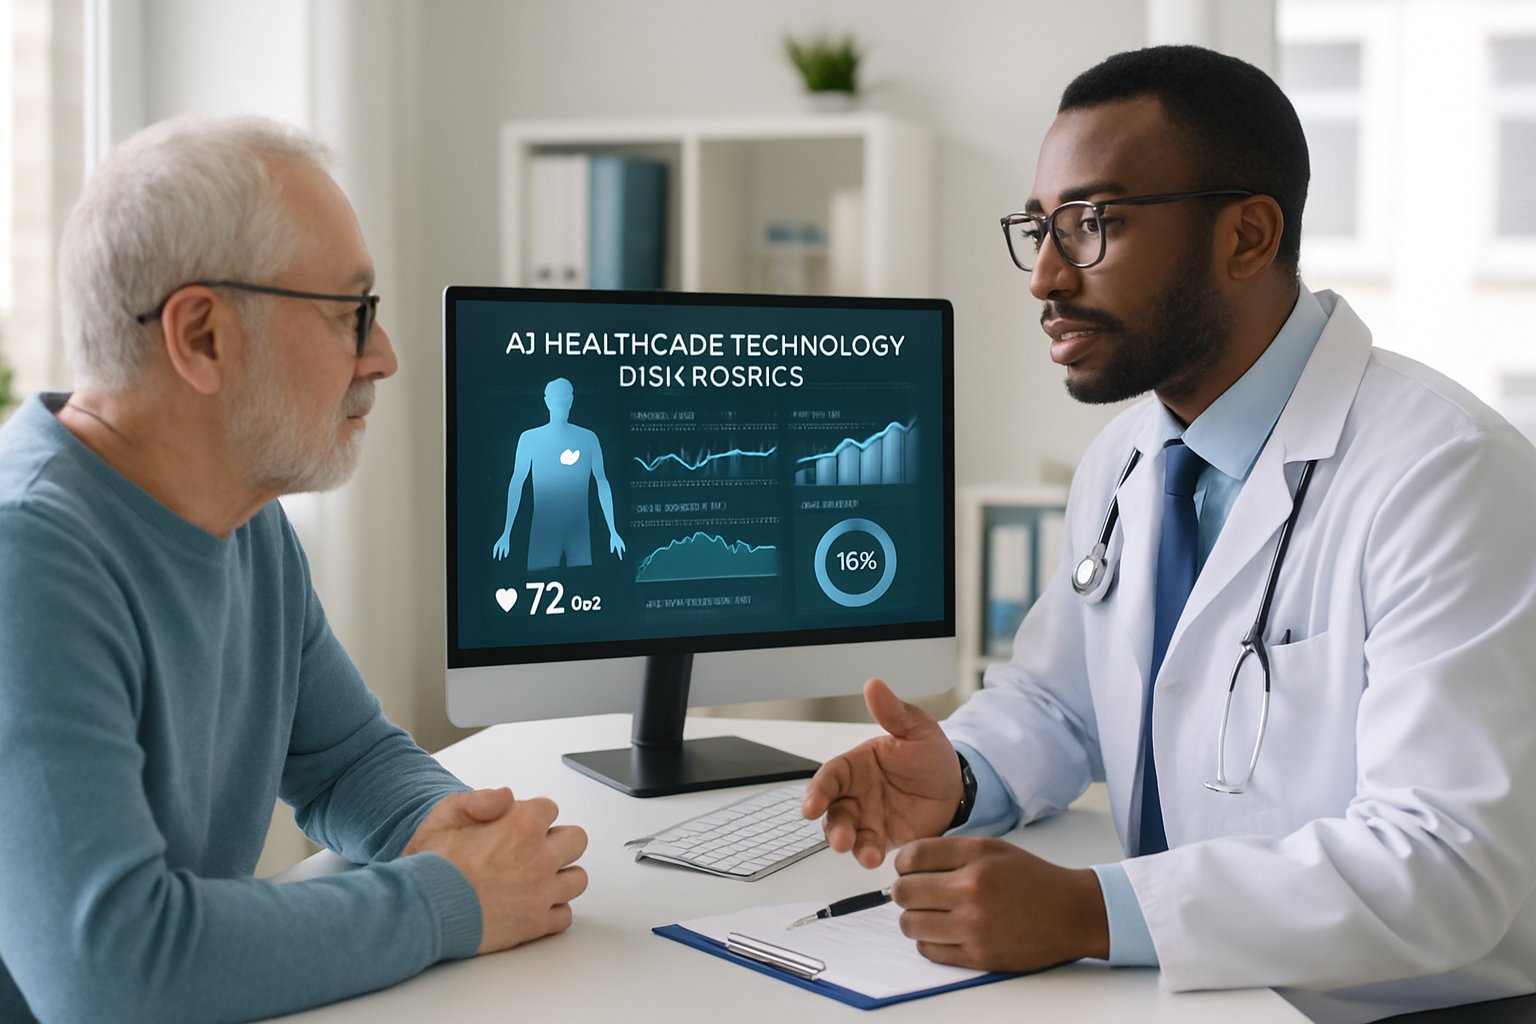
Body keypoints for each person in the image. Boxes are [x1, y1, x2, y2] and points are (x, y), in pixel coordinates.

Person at [803, 45, 1536, 1023]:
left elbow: (1444, 864)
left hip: (1393, 1006)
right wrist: (961, 773)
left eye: (1094, 225)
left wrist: (1090, 909)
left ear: (1247, 236)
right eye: (1040, 229)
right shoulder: (1129, 457)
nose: (1046, 278)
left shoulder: (1447, 472)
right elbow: (1061, 704)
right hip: (1188, 988)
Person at [0, 117, 589, 1022]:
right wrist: (448, 901)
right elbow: (109, 969)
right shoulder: (25, 559)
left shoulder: (243, 519)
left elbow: (345, 760)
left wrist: (459, 837)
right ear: (201, 336)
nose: (383, 357)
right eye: (352, 313)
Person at [492, 376, 626, 569]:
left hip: (579, 530)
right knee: (540, 578)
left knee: (583, 587)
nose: (560, 403)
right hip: (543, 529)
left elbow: (602, 481)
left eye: (565, 397)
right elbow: (517, 482)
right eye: (556, 398)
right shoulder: (530, 439)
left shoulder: (588, 438)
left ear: (571, 400)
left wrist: (613, 530)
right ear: (546, 400)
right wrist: (506, 533)